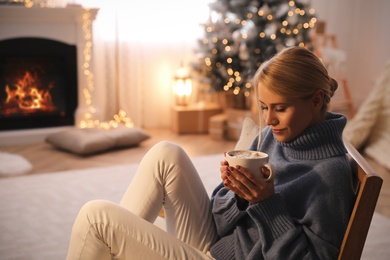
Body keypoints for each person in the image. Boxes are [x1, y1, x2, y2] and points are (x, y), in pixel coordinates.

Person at [66, 46, 355, 260]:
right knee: (166, 153)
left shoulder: (330, 175)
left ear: (317, 100)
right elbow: (219, 218)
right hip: (220, 245)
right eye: (264, 107)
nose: (269, 120)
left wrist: (267, 205)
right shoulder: (271, 138)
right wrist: (237, 194)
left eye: (280, 108)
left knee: (96, 218)